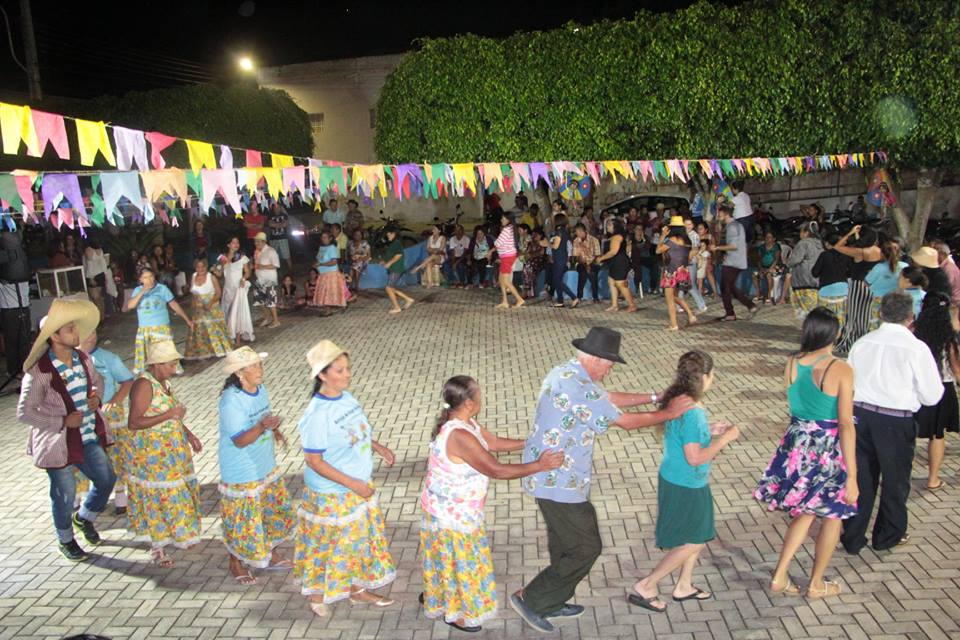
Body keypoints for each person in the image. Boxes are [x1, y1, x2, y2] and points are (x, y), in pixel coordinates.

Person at [510, 327, 692, 633]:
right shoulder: (578, 385)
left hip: (551, 477)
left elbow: (606, 399)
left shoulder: (568, 372)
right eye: (608, 364)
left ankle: (554, 598)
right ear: (594, 359)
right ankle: (532, 598)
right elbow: (626, 422)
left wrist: (655, 398)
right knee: (586, 547)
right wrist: (670, 413)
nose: (609, 370)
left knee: (565, 543)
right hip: (557, 480)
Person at [420, 376, 563, 632]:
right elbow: (496, 469)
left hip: (454, 511)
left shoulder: (467, 423)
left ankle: (439, 597)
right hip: (451, 516)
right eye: (479, 394)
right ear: (468, 402)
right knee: (461, 564)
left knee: (448, 561)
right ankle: (455, 613)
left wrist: (531, 442)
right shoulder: (459, 435)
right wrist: (539, 466)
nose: (482, 398)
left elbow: (493, 443)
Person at [754, 309, 858, 599]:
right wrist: (852, 475)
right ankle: (816, 583)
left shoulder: (792, 362)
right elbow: (846, 424)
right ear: (835, 333)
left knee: (805, 511)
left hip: (797, 444)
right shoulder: (840, 369)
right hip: (828, 448)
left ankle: (780, 575)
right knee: (833, 514)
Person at [628, 351, 740, 613]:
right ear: (705, 377)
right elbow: (695, 457)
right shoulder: (693, 411)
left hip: (677, 477)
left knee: (696, 532)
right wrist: (725, 438)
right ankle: (647, 585)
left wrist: (709, 430)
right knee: (695, 540)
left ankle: (684, 585)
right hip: (687, 483)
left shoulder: (679, 400)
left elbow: (685, 437)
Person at [295, 340, 396, 617]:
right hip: (332, 493)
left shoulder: (347, 398)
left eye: (347, 368)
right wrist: (353, 485)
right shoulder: (317, 415)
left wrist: (377, 446)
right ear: (322, 375)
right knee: (329, 544)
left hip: (357, 485)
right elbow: (314, 461)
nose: (347, 374)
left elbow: (356, 431)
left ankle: (356, 589)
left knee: (357, 541)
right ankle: (317, 594)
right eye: (339, 371)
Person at [840, 291, 943, 554]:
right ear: (910, 317)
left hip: (860, 416)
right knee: (895, 481)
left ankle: (853, 536)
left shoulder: (863, 342)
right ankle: (888, 535)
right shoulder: (917, 349)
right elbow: (932, 395)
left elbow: (849, 382)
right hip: (896, 421)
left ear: (880, 313)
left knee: (861, 478)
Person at [18, 298, 114, 562]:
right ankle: (66, 540)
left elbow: (98, 381)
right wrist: (62, 421)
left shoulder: (83, 359)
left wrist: (96, 398)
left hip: (86, 436)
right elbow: (24, 412)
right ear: (55, 337)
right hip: (56, 443)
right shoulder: (40, 372)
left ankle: (84, 518)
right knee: (64, 494)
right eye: (70, 329)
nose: (76, 332)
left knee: (106, 479)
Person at [218, 347, 295, 585]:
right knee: (243, 519)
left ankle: (269, 553)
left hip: (264, 463)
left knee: (269, 511)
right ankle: (235, 562)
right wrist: (263, 426)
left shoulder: (260, 389)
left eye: (259, 364)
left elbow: (264, 417)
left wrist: (275, 430)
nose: (260, 370)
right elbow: (240, 440)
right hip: (242, 469)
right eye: (253, 366)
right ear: (240, 372)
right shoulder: (231, 400)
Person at [126, 340, 203, 567]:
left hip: (171, 452)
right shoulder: (143, 385)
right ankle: (157, 547)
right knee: (159, 498)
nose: (174, 368)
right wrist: (169, 414)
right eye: (170, 364)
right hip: (153, 455)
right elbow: (134, 422)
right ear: (157, 364)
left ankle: (178, 533)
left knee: (175, 493)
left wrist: (189, 434)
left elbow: (173, 415)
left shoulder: (164, 383)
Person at [81, 328, 134, 515]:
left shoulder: (108, 358)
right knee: (83, 456)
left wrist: (114, 401)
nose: (91, 337)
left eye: (94, 332)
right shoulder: (70, 361)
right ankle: (83, 496)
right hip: (83, 419)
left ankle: (120, 495)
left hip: (108, 416)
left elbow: (127, 380)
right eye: (86, 333)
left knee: (115, 455)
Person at [912, 293, 960, 491]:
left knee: (909, 432)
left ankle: (900, 474)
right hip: (943, 388)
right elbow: (956, 368)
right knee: (937, 435)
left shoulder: (914, 332)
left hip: (916, 388)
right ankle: (933, 479)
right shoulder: (949, 336)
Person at [125, 267, 192, 374]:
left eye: (151, 276)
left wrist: (187, 319)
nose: (149, 279)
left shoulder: (162, 289)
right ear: (140, 279)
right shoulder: (137, 290)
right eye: (145, 277)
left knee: (166, 348)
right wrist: (142, 291)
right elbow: (130, 305)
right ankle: (145, 368)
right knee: (145, 350)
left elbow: (174, 304)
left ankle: (173, 367)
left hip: (161, 325)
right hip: (145, 327)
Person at [833, 225, 882, 356]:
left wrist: (850, 233)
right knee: (866, 315)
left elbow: (837, 247)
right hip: (873, 285)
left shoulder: (859, 252)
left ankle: (853, 341)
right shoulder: (879, 251)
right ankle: (866, 341)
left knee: (854, 315)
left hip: (858, 285)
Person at [714, 204, 757, 321]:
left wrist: (717, 248)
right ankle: (750, 305)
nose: (718, 216)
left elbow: (733, 246)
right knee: (730, 286)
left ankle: (730, 313)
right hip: (737, 260)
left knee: (725, 287)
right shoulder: (738, 225)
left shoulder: (732, 227)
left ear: (725, 214)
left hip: (732, 261)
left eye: (720, 214)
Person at [184, 258, 232, 361]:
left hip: (211, 305)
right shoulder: (193, 276)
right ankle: (204, 351)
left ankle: (218, 350)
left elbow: (218, 293)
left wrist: (209, 304)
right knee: (199, 329)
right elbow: (192, 294)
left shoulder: (211, 277)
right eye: (198, 267)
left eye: (203, 267)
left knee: (212, 327)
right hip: (198, 307)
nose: (200, 269)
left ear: (206, 267)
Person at [656, 219, 697, 331]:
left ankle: (674, 324)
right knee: (674, 296)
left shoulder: (673, 239)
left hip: (671, 271)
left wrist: (662, 236)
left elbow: (658, 250)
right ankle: (690, 314)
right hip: (682, 270)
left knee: (669, 298)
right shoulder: (687, 240)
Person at [811, 233, 852, 332]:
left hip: (826, 291)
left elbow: (814, 272)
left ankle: (825, 336)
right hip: (842, 290)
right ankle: (838, 336)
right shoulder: (846, 255)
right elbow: (851, 272)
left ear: (828, 243)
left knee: (825, 319)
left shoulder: (824, 255)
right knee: (840, 318)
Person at [865, 238, 908, 330]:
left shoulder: (878, 267)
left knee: (875, 326)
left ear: (882, 254)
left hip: (878, 301)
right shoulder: (905, 266)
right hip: (897, 300)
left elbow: (867, 282)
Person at [220, 237, 255, 347]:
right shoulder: (223, 257)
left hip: (238, 288)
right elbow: (219, 273)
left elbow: (248, 272)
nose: (236, 244)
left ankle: (238, 339)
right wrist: (216, 269)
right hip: (227, 289)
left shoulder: (241, 257)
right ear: (228, 245)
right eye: (233, 242)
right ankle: (229, 336)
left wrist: (243, 279)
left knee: (237, 313)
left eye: (237, 242)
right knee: (228, 312)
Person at [785, 222, 824, 320]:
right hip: (816, 282)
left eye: (801, 231)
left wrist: (787, 261)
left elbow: (794, 260)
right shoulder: (821, 243)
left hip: (803, 281)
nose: (800, 234)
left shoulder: (803, 243)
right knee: (814, 310)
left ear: (806, 233)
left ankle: (810, 328)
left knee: (805, 313)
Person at [597, 217, 637, 312]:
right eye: (607, 224)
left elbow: (613, 252)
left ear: (615, 226)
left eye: (610, 225)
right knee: (611, 282)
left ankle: (632, 305)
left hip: (620, 262)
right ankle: (615, 305)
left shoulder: (617, 237)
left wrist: (601, 258)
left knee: (620, 284)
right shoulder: (612, 236)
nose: (607, 226)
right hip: (614, 262)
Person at [542, 213, 578, 308]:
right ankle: (560, 301)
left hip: (560, 259)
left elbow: (555, 246)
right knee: (556, 280)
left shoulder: (559, 232)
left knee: (557, 280)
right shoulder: (562, 231)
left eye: (554, 220)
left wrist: (546, 244)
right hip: (559, 258)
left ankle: (574, 297)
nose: (552, 222)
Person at [490, 213, 525, 309]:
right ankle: (504, 301)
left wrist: (491, 249)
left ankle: (519, 299)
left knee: (506, 281)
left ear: (508, 220)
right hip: (508, 256)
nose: (501, 220)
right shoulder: (512, 229)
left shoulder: (506, 230)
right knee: (501, 280)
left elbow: (498, 243)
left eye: (503, 218)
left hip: (507, 257)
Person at [380, 226, 415, 314]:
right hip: (394, 268)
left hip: (396, 268)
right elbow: (392, 255)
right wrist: (385, 262)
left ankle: (397, 307)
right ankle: (408, 299)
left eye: (389, 234)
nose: (388, 235)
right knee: (391, 288)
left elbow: (398, 255)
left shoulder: (397, 243)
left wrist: (389, 263)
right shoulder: (393, 243)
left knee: (388, 288)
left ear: (394, 234)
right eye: (387, 234)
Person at [311, 230, 347, 310]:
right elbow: (319, 259)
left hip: (331, 273)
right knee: (325, 293)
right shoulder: (321, 247)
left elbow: (334, 262)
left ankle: (329, 309)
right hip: (322, 273)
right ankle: (330, 308)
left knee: (328, 292)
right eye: (322, 237)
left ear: (330, 238)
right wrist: (316, 264)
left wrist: (321, 264)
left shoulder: (332, 248)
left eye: (325, 237)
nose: (323, 239)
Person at [253, 232, 281, 328]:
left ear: (264, 242)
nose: (256, 244)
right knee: (259, 301)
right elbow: (256, 265)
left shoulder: (271, 251)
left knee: (270, 301)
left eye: (258, 242)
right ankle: (267, 318)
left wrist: (263, 266)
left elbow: (276, 265)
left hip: (269, 280)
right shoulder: (257, 252)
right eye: (255, 242)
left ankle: (276, 320)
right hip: (259, 280)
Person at [682, 218, 708, 313]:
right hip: (686, 261)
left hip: (691, 262)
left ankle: (702, 306)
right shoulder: (684, 234)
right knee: (684, 285)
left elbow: (695, 249)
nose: (687, 226)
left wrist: (687, 260)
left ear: (693, 225)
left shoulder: (694, 235)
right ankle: (679, 305)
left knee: (691, 286)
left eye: (689, 224)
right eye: (686, 224)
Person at [573, 223, 601, 304]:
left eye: (578, 232)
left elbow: (597, 255)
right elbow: (576, 256)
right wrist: (585, 264)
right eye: (576, 233)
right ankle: (582, 296)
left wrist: (589, 265)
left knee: (592, 272)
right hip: (582, 263)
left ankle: (584, 297)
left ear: (583, 231)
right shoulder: (576, 241)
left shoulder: (594, 240)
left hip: (593, 262)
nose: (577, 234)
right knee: (583, 272)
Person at [929, 239, 960, 307]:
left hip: (952, 303)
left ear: (941, 254)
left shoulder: (949, 268)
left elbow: (945, 289)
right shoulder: (944, 266)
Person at [754, 230, 782, 304]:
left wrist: (769, 269)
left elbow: (776, 260)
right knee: (754, 274)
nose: (767, 239)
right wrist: (761, 269)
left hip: (775, 267)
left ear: (774, 239)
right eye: (766, 237)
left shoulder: (776, 246)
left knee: (769, 275)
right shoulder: (761, 247)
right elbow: (759, 259)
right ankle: (758, 293)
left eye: (769, 237)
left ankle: (769, 295)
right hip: (764, 267)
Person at [522, 227, 547, 298]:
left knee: (528, 266)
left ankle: (527, 290)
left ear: (540, 235)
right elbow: (527, 253)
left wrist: (531, 255)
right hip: (531, 261)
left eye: (536, 235)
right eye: (533, 235)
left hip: (541, 261)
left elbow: (541, 253)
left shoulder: (543, 242)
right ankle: (529, 290)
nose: (534, 236)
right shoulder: (530, 243)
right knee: (527, 266)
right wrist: (529, 255)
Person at [267, 203, 293, 272]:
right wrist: (280, 224)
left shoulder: (284, 215)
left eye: (278, 207)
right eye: (275, 207)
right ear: (273, 208)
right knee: (273, 256)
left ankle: (291, 271)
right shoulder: (270, 216)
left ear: (280, 207)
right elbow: (270, 224)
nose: (277, 208)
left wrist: (275, 225)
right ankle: (274, 271)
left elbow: (285, 224)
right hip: (273, 239)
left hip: (283, 238)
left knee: (287, 256)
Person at [729, 180, 755, 244]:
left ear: (736, 189)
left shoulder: (736, 198)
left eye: (732, 189)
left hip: (742, 220)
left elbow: (729, 206)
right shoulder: (746, 195)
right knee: (748, 239)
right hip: (750, 218)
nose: (732, 191)